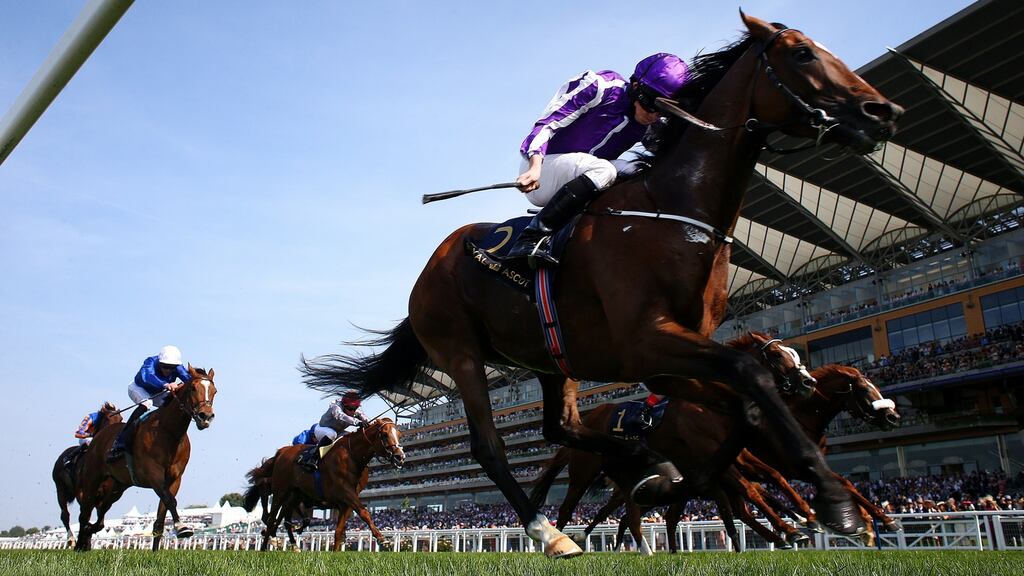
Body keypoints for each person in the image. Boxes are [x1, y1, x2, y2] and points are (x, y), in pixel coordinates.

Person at [504, 53, 690, 267]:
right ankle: (531, 238)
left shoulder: (650, 124)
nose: (654, 115)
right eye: (650, 104)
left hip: (587, 175)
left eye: (662, 110)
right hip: (545, 171)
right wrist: (535, 166)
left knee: (643, 171)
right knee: (605, 170)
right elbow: (548, 124)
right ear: (636, 86)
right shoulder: (599, 86)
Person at [107, 345, 193, 462]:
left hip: (159, 392)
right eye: (165, 366)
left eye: (171, 367)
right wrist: (166, 384)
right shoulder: (150, 362)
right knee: (147, 403)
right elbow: (147, 377)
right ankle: (121, 441)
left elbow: (189, 380)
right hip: (139, 388)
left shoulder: (178, 367)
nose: (168, 370)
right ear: (159, 361)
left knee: (173, 403)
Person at [296, 391, 370, 471]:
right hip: (321, 429)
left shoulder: (356, 410)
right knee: (332, 434)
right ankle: (313, 458)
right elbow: (341, 416)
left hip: (338, 431)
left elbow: (364, 417)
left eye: (354, 409)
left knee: (351, 437)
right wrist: (358, 422)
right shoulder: (335, 407)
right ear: (344, 405)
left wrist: (370, 423)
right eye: (350, 409)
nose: (352, 411)